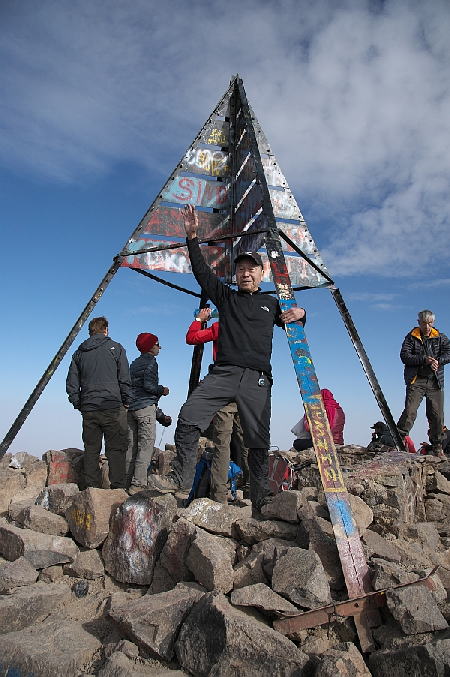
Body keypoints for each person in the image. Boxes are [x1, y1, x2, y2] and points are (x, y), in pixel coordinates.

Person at [149, 204, 305, 514]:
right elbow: (202, 273)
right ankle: (181, 478)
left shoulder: (271, 303)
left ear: (261, 273)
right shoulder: (227, 298)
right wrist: (192, 236)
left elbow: (293, 321)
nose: (245, 273)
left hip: (257, 378)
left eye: (251, 269)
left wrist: (302, 313)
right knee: (188, 416)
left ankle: (260, 501)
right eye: (241, 269)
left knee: (258, 441)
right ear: (236, 274)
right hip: (223, 374)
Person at [186, 307, 249, 503]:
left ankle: (219, 497)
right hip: (248, 384)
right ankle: (250, 488)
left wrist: (199, 319)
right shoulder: (250, 327)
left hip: (224, 382)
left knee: (222, 441)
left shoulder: (219, 327)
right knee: (246, 438)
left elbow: (192, 338)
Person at [66, 316, 131, 489]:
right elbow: (124, 378)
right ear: (106, 329)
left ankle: (92, 489)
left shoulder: (79, 352)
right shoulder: (116, 348)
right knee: (116, 449)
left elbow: (72, 383)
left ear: (91, 331)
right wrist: (126, 401)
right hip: (112, 406)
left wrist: (79, 403)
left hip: (89, 408)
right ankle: (118, 488)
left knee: (91, 448)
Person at [397, 310, 450, 458]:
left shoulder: (441, 337)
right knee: (410, 411)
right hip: (416, 380)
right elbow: (405, 356)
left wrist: (439, 361)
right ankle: (399, 439)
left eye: (430, 323)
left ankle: (437, 446)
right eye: (424, 323)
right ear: (419, 322)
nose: (427, 326)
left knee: (437, 415)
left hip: (435, 381)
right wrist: (424, 359)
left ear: (433, 322)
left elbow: (449, 352)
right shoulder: (411, 337)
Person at [126, 332, 170, 490]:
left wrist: (160, 415)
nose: (159, 348)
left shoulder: (134, 363)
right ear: (151, 347)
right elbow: (149, 387)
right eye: (157, 344)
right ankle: (138, 484)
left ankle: (125, 482)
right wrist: (162, 390)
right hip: (145, 409)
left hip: (131, 409)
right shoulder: (151, 362)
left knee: (131, 447)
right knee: (146, 446)